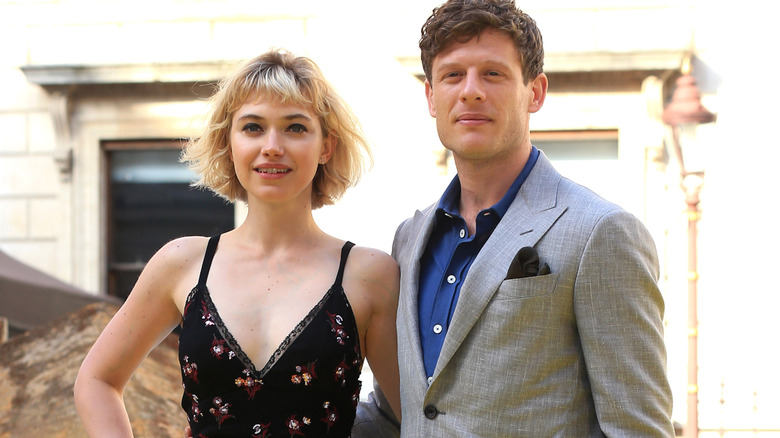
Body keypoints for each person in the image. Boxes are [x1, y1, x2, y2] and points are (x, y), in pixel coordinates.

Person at [352, 0, 675, 436]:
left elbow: (637, 428)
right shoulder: (409, 239)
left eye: (493, 73)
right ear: (431, 97)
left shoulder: (600, 231)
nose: (470, 91)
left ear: (535, 92)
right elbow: (405, 411)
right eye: (452, 75)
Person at [74, 49, 401, 437]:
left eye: (295, 127)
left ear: (326, 146)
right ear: (229, 143)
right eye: (252, 127)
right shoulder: (182, 264)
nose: (273, 146)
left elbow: (419, 418)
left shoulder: (370, 275)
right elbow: (96, 380)